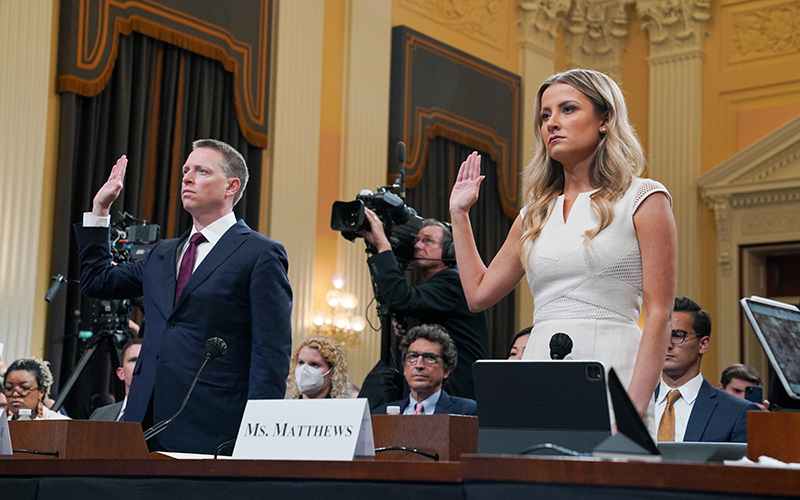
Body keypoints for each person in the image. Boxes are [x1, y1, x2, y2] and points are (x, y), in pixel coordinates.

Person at [449, 68, 676, 417]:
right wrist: (459, 215)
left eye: (567, 109)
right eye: (545, 115)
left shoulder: (643, 198)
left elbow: (660, 314)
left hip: (616, 369)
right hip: (541, 369)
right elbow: (478, 295)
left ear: (605, 118)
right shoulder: (534, 213)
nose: (552, 123)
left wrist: (634, 408)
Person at [74, 139, 293, 454]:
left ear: (232, 186)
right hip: (142, 423)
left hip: (214, 426)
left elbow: (270, 353)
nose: (188, 178)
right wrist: (100, 211)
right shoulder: (161, 254)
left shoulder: (260, 253)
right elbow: (97, 280)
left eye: (202, 171)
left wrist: (259, 432)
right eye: (185, 171)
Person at [360, 217, 488, 400]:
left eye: (428, 240)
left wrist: (383, 246)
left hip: (453, 398)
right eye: (417, 241)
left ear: (449, 250)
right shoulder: (436, 287)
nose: (418, 246)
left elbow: (401, 298)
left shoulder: (453, 281)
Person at [654, 296, 758, 443]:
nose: (668, 345)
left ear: (703, 344)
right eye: (661, 335)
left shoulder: (736, 412)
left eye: (677, 336)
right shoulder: (636, 405)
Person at [373, 324, 477, 416]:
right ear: (404, 369)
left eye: (430, 358)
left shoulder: (466, 412)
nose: (419, 365)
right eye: (413, 357)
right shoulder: (380, 415)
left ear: (446, 370)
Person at [90, 338, 142, 421]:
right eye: (133, 360)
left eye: (144, 361)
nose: (139, 366)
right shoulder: (100, 415)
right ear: (121, 373)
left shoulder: (165, 416)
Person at [285, 335, 351, 399]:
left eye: (314, 364)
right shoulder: (287, 407)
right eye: (301, 363)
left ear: (332, 372)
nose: (304, 369)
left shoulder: (342, 408)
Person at [3, 358, 70, 420]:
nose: (15, 394)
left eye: (24, 388)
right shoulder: (3, 424)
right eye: (9, 388)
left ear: (41, 392)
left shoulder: (59, 423)